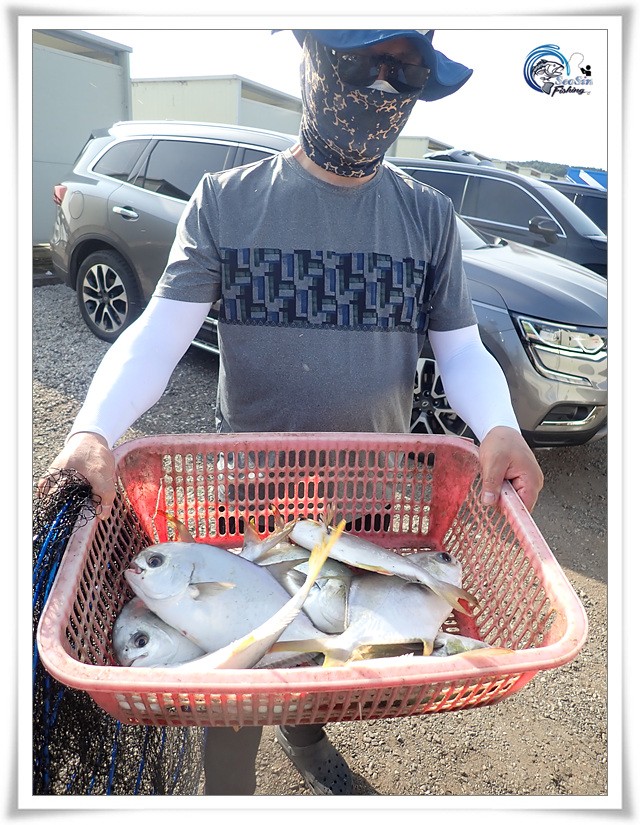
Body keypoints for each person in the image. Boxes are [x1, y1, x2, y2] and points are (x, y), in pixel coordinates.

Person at [38, 29, 544, 796]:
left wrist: (500, 425)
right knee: (236, 661)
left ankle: (307, 741)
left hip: (367, 503)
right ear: (309, 57)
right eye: (359, 62)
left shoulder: (428, 216)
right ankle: (230, 789)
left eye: (404, 72)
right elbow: (156, 336)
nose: (380, 88)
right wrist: (92, 428)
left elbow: (462, 349)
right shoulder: (228, 200)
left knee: (321, 647)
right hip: (253, 500)